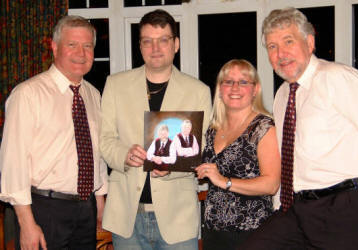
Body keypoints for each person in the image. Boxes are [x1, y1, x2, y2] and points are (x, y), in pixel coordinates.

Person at [239, 7, 358, 250]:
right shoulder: (283, 94)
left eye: (288, 41)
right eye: (272, 47)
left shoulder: (338, 78)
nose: (280, 53)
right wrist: (280, 204)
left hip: (350, 205)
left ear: (309, 42)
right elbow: (290, 155)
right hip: (300, 207)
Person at [100, 9, 212, 250]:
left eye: (163, 40)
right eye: (147, 41)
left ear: (176, 44)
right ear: (140, 46)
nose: (155, 48)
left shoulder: (198, 91)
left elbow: (199, 149)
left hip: (177, 216)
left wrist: (171, 167)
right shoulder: (115, 85)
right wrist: (124, 155)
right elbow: (105, 139)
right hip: (128, 215)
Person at [0, 15, 108, 249]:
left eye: (87, 46)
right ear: (55, 47)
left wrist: (99, 200)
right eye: (72, 45)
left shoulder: (93, 95)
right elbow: (13, 162)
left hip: (85, 208)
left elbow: (95, 150)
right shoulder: (27, 94)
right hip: (44, 209)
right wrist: (26, 222)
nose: (81, 53)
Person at [194, 59, 281, 250]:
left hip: (251, 231)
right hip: (213, 229)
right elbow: (202, 170)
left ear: (255, 89)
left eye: (243, 82)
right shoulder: (213, 129)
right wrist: (166, 165)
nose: (235, 88)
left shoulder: (263, 127)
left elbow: (271, 184)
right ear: (220, 88)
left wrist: (225, 181)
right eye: (228, 81)